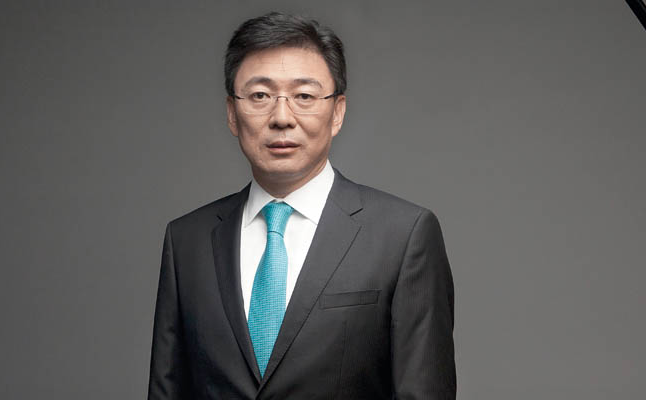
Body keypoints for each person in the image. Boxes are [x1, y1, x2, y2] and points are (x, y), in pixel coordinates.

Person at [148, 12, 456, 399]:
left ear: (337, 112)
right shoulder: (186, 241)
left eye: (304, 97)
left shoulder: (403, 236)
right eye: (260, 96)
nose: (282, 117)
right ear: (231, 113)